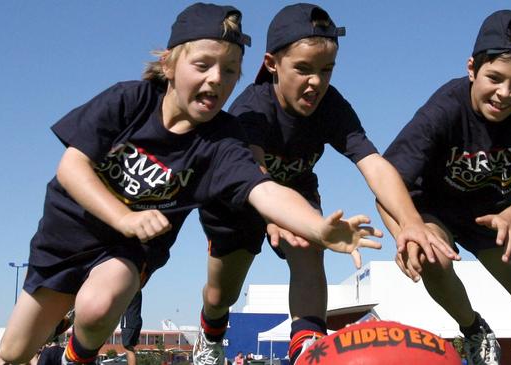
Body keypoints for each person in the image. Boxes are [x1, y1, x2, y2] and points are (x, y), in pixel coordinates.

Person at [0, 3, 382, 365]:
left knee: (101, 302)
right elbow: (71, 167)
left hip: (128, 249)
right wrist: (123, 216)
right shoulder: (128, 101)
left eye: (230, 71)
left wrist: (316, 227)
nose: (216, 78)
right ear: (168, 64)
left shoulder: (222, 140)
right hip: (67, 239)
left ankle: (74, 358)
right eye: (203, 65)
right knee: (14, 353)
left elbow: (263, 188)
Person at [195, 4, 458, 365]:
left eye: (326, 70)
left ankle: (308, 347)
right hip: (238, 202)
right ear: (272, 63)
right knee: (221, 294)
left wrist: (411, 223)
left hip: (298, 192)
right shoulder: (251, 109)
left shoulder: (331, 106)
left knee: (308, 247)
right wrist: (273, 216)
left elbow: (375, 165)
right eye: (303, 69)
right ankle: (210, 337)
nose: (316, 82)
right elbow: (254, 169)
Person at [379, 9, 511, 365]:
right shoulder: (444, 109)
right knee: (432, 252)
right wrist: (406, 229)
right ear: (472, 68)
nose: (505, 93)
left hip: (491, 216)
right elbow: (387, 180)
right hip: (431, 211)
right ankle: (474, 329)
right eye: (494, 78)